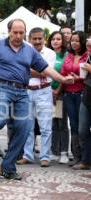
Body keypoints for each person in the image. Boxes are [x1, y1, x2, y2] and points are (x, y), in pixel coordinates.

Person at [0, 19, 73, 180]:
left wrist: (63, 79)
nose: (18, 36)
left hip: (22, 92)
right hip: (1, 88)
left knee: (24, 127)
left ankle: (8, 167)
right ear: (9, 31)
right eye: (15, 32)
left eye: (21, 32)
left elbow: (46, 69)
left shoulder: (29, 50)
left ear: (25, 32)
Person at [16, 27, 56, 167]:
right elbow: (23, 70)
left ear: (44, 38)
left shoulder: (50, 53)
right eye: (35, 39)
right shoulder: (23, 52)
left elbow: (46, 73)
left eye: (40, 38)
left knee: (45, 127)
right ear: (29, 39)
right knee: (27, 126)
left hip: (44, 91)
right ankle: (28, 155)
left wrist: (29, 70)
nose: (38, 41)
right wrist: (38, 70)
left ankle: (45, 157)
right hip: (27, 91)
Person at [60, 31, 88, 166]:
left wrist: (79, 79)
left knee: (83, 126)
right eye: (72, 40)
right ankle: (76, 157)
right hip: (68, 94)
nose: (74, 43)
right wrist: (59, 89)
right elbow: (63, 73)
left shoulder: (87, 56)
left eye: (77, 40)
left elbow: (87, 77)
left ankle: (85, 157)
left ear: (82, 42)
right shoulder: (68, 55)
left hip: (82, 93)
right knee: (73, 125)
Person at [47, 31, 69, 164]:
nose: (55, 41)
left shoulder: (66, 55)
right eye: (53, 39)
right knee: (53, 123)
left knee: (62, 123)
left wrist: (57, 91)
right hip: (47, 93)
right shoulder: (48, 54)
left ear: (62, 41)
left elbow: (64, 74)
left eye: (58, 39)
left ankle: (64, 152)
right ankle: (54, 151)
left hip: (60, 94)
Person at [72, 40, 91, 170]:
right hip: (87, 95)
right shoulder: (88, 56)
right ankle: (86, 161)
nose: (89, 47)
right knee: (82, 130)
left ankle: (86, 161)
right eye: (88, 45)